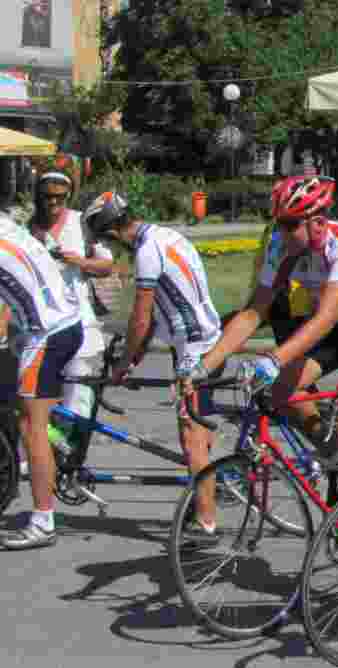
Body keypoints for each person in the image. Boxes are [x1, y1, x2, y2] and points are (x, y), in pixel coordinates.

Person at [195, 176, 338, 528]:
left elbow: (324, 318)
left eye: (291, 224)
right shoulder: (281, 245)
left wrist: (274, 359)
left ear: (318, 221)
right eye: (279, 222)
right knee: (283, 392)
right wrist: (202, 368)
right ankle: (332, 454)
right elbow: (253, 312)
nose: (283, 231)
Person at [83, 191, 222, 535]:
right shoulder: (165, 234)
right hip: (200, 336)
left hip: (194, 344)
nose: (113, 251)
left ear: (113, 232)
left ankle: (205, 521)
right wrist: (136, 357)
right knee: (198, 431)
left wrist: (122, 364)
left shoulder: (146, 252)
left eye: (108, 243)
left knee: (191, 435)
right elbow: (157, 316)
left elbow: (141, 319)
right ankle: (205, 498)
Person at [0, 217, 83, 549]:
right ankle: (57, 442)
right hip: (65, 321)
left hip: (47, 332)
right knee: (32, 413)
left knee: (30, 425)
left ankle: (42, 521)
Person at [28, 171, 115, 452]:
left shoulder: (81, 223)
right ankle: (43, 447)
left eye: (59, 197)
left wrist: (80, 261)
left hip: (80, 318)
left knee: (78, 388)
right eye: (47, 196)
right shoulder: (28, 227)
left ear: (69, 196)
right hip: (40, 322)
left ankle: (67, 452)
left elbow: (106, 265)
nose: (53, 202)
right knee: (36, 392)